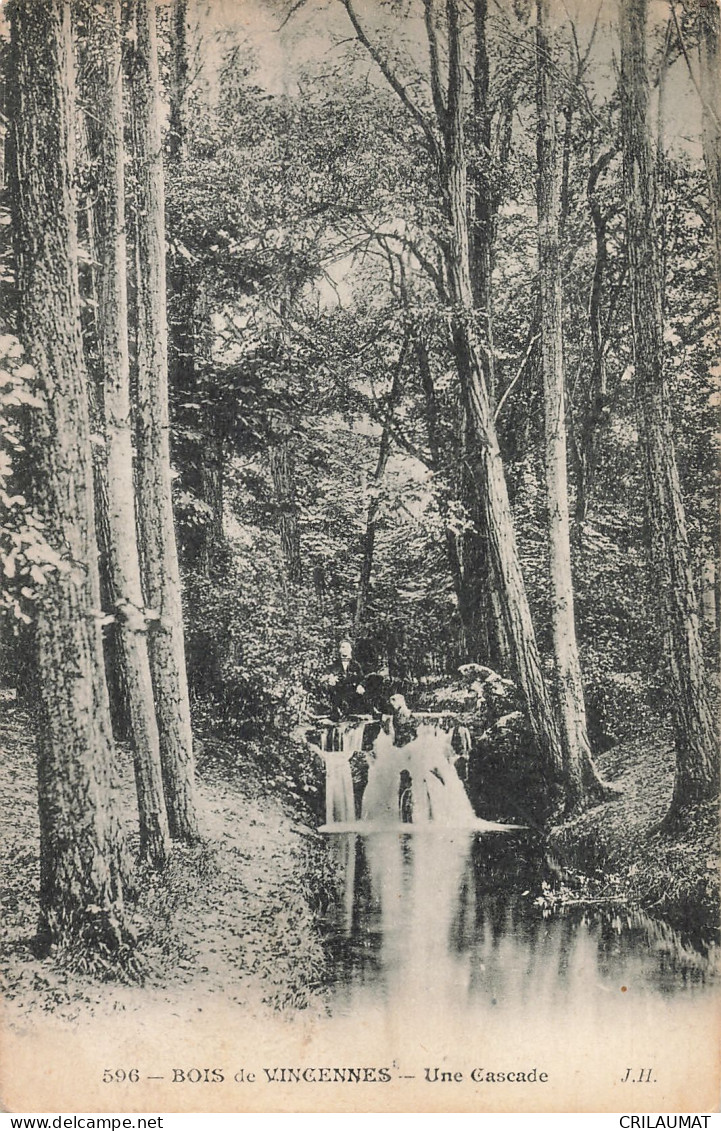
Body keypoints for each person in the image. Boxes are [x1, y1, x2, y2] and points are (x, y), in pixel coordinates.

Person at [324, 639, 366, 719]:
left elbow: (362, 678)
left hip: (353, 697)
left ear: (351, 649)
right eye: (343, 647)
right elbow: (329, 676)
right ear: (339, 650)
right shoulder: (334, 664)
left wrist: (360, 685)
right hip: (339, 695)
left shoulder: (356, 665)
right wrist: (330, 679)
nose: (345, 649)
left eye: (347, 647)